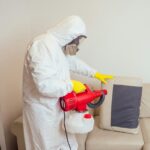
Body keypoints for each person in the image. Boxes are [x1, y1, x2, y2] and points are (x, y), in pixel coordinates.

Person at [23, 15, 113, 150]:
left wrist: (94, 73)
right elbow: (43, 85)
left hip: (57, 107)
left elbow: (72, 62)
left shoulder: (57, 47)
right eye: (76, 40)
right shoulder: (42, 45)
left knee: (66, 143)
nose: (76, 44)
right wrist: (71, 85)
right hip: (43, 113)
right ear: (69, 34)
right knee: (46, 146)